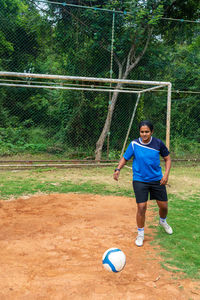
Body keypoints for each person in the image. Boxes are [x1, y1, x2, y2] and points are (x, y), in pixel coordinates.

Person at [113, 120, 173, 247]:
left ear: (151, 132)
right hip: (140, 180)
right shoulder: (134, 144)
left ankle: (163, 221)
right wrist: (118, 169)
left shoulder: (158, 143)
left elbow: (167, 159)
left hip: (157, 179)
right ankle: (140, 234)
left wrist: (166, 175)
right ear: (139, 132)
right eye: (142, 132)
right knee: (141, 207)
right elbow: (125, 158)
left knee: (164, 207)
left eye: (147, 132)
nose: (144, 134)